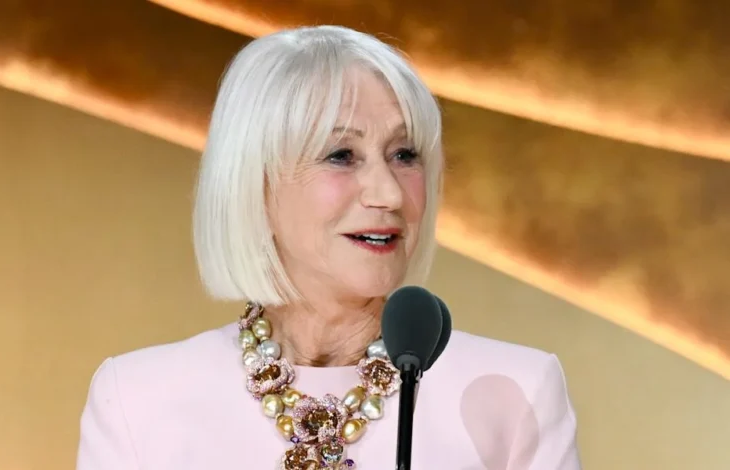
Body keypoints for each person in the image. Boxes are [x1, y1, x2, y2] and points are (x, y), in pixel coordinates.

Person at [76, 25, 581, 470]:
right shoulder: (139, 399)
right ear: (257, 182)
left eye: (404, 154)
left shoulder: (514, 391)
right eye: (341, 155)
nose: (388, 194)